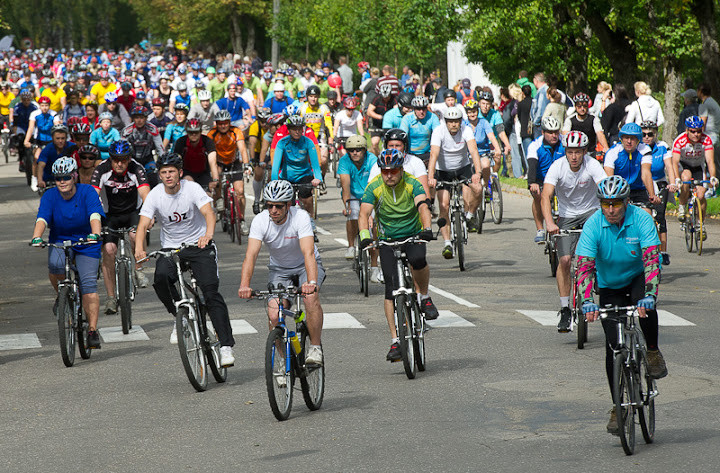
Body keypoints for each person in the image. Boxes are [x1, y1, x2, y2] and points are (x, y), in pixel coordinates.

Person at [577, 176, 668, 435]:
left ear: (626, 202)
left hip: (637, 278)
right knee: (613, 348)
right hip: (609, 287)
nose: (611, 210)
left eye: (616, 204)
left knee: (646, 308)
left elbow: (651, 259)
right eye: (605, 204)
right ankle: (618, 404)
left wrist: (649, 293)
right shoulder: (593, 225)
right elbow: (583, 267)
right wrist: (586, 301)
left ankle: (651, 350)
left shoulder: (640, 219)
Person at [135, 152, 236, 367]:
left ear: (180, 173)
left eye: (172, 171)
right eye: (164, 173)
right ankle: (179, 315)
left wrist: (207, 235)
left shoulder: (192, 189)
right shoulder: (155, 195)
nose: (168, 176)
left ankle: (226, 346)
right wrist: (139, 249)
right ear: (159, 175)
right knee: (161, 278)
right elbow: (143, 224)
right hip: (172, 248)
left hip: (198, 245)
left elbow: (209, 213)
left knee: (210, 293)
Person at [358, 149, 440, 361]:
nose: (389, 175)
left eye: (393, 170)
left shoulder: (412, 183)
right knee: (390, 289)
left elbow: (422, 205)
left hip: (413, 234)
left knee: (419, 260)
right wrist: (365, 236)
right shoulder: (374, 186)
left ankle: (424, 297)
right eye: (385, 171)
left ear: (401, 169)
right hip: (387, 239)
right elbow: (364, 213)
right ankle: (395, 340)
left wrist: (427, 228)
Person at [237, 179, 325, 366]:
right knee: (275, 314)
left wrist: (311, 282)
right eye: (269, 205)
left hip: (305, 265)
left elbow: (308, 252)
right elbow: (250, 255)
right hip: (279, 269)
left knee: (310, 299)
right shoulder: (261, 221)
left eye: (278, 206)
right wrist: (245, 285)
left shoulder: (300, 217)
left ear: (288, 205)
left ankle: (315, 347)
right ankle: (283, 361)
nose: (273, 210)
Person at [30, 157, 104, 349]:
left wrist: (95, 234)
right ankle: (62, 295)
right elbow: (42, 218)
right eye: (58, 177)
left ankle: (92, 331)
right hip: (60, 240)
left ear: (74, 176)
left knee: (88, 284)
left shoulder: (87, 191)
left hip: (87, 241)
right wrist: (37, 237)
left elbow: (95, 215)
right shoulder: (50, 195)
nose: (62, 181)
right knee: (55, 267)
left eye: (66, 177)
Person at [541, 131, 606, 332]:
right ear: (565, 152)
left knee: (599, 250)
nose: (574, 156)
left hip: (591, 213)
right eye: (570, 152)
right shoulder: (557, 166)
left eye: (578, 152)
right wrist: (550, 223)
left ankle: (598, 278)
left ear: (585, 152)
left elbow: (604, 188)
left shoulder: (592, 165)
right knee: (565, 260)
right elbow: (545, 196)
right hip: (567, 216)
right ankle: (565, 309)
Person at [91, 140, 151, 313]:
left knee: (134, 235)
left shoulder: (136, 168)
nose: (119, 163)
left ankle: (139, 269)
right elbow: (93, 196)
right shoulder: (101, 169)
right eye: (115, 159)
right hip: (110, 215)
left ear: (129, 158)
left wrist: (150, 215)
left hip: (133, 211)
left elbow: (145, 194)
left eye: (123, 159)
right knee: (109, 250)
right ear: (110, 159)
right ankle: (110, 297)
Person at [427, 106, 489, 255]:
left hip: (463, 168)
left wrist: (478, 173)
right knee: (444, 205)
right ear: (446, 122)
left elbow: (474, 151)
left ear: (461, 121)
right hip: (443, 171)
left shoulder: (466, 130)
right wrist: (430, 176)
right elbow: (433, 155)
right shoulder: (438, 132)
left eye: (456, 121)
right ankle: (447, 243)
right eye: (450, 121)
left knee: (478, 188)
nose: (453, 124)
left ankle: (469, 216)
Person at [672, 116, 719, 235]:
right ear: (687, 130)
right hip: (684, 165)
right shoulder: (679, 141)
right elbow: (674, 162)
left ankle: (700, 224)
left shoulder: (706, 140)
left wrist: (713, 176)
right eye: (693, 131)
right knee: (686, 178)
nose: (696, 134)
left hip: (698, 166)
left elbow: (710, 161)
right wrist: (677, 179)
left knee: (701, 195)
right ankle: (682, 206)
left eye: (699, 131)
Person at [207, 109, 251, 234]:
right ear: (216, 123)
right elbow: (210, 154)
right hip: (219, 162)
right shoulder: (212, 134)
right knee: (216, 181)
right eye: (220, 123)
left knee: (240, 192)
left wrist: (247, 165)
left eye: (225, 123)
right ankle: (219, 200)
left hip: (234, 162)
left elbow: (242, 149)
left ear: (229, 122)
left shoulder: (236, 131)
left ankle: (241, 220)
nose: (223, 125)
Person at [271, 114, 322, 218]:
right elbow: (275, 166)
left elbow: (315, 165)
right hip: (287, 177)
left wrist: (318, 178)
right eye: (294, 129)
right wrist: (274, 181)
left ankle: (311, 221)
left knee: (307, 199)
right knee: (288, 204)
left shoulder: (308, 142)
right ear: (289, 130)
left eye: (300, 129)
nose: (297, 132)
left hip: (304, 175)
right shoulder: (282, 143)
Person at [338, 134, 378, 259]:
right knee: (353, 214)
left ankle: (374, 257)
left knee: (373, 221)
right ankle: (351, 246)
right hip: (353, 194)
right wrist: (347, 206)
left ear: (364, 150)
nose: (354, 153)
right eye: (351, 150)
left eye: (358, 150)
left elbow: (375, 183)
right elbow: (345, 186)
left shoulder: (373, 160)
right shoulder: (344, 161)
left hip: (371, 194)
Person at [639, 120, 673, 265]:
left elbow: (669, 166)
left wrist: (672, 183)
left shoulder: (662, 146)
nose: (647, 137)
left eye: (650, 134)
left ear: (655, 134)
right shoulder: (638, 148)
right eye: (643, 134)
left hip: (659, 182)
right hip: (643, 185)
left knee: (660, 215)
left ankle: (663, 251)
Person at [527, 116, 565, 243]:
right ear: (543, 132)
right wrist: (532, 183)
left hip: (560, 179)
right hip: (540, 179)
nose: (554, 135)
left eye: (556, 132)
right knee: (538, 195)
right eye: (550, 132)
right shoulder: (535, 145)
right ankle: (540, 229)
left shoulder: (565, 143)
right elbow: (532, 165)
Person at [603, 123, 655, 208]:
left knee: (647, 213)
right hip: (618, 189)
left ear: (638, 140)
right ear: (621, 139)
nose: (629, 141)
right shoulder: (613, 152)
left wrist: (652, 195)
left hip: (638, 190)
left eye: (632, 138)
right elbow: (609, 178)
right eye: (626, 138)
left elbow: (646, 173)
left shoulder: (644, 149)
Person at [173, 117, 220, 189]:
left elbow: (213, 162)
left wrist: (215, 180)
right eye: (191, 132)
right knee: (189, 185)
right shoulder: (181, 142)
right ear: (187, 132)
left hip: (203, 173)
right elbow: (176, 162)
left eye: (196, 132)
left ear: (200, 131)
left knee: (208, 195)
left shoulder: (207, 141)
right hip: (187, 173)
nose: (194, 134)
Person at [400, 95, 440, 164]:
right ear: (414, 109)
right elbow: (402, 136)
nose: (421, 112)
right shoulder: (407, 118)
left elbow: (438, 134)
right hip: (410, 154)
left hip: (428, 153)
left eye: (424, 109)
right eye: (418, 109)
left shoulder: (432, 117)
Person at [36, 125, 75, 190]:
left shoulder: (72, 147)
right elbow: (41, 165)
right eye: (57, 138)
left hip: (68, 179)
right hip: (50, 180)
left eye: (63, 138)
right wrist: (40, 180)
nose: (60, 141)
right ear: (52, 138)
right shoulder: (48, 149)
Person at [697, 83, 720, 170]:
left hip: (709, 138)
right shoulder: (714, 103)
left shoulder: (704, 105)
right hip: (716, 136)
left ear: (701, 92)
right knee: (715, 165)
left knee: (707, 165)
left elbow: (702, 124)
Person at [530, 72, 549, 138]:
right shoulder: (545, 90)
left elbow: (540, 109)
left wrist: (535, 122)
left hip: (540, 125)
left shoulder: (542, 92)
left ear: (536, 81)